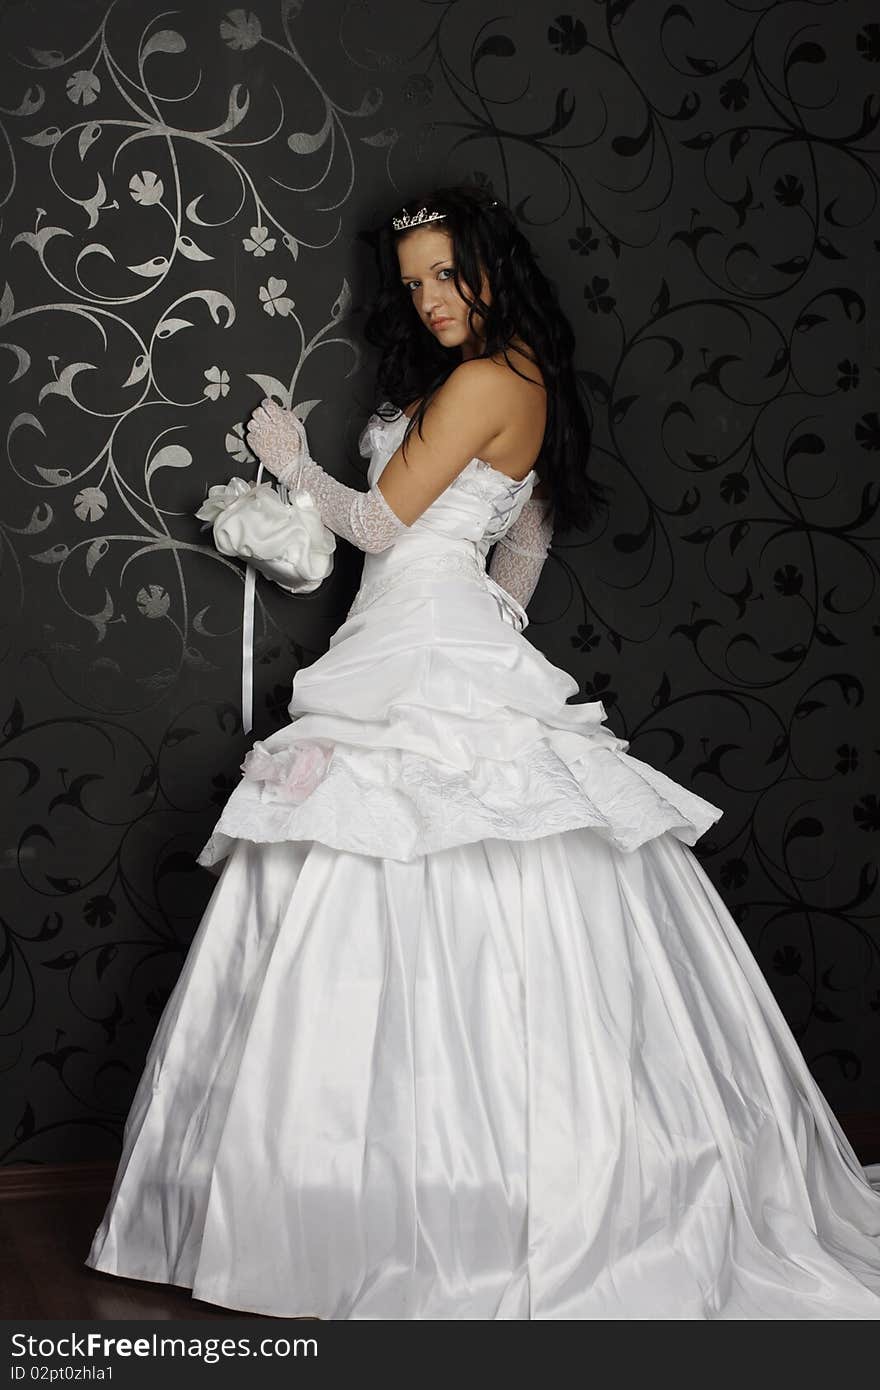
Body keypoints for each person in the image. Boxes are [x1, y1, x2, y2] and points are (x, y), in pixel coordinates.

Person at [84, 183, 880, 1319]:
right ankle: (432, 1191)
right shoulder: (524, 386)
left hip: (417, 633)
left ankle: (396, 1202)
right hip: (427, 635)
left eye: (447, 274)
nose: (430, 298)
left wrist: (290, 456)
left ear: (491, 267)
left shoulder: (478, 382)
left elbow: (381, 526)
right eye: (413, 283)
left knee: (388, 879)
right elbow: (528, 543)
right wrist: (487, 634)